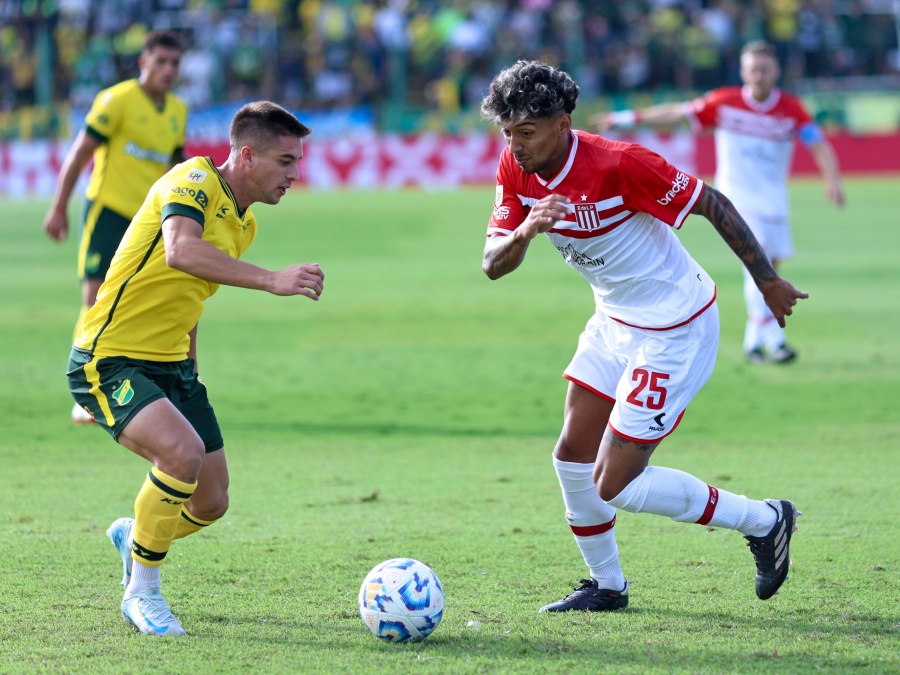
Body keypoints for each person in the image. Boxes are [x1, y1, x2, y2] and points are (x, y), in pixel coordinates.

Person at [480, 60, 804, 613]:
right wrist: (530, 227)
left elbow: (713, 204)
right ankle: (607, 586)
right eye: (507, 132)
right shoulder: (516, 169)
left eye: (526, 131)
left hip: (675, 328)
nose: (515, 144)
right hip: (613, 321)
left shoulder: (620, 164)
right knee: (570, 456)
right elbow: (492, 264)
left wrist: (768, 280)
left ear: (563, 122)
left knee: (615, 484)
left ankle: (766, 519)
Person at [66, 101, 323, 636]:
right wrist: (274, 280)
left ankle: (136, 535)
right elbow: (181, 251)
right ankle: (142, 592)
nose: (295, 175)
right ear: (247, 155)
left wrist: (192, 368)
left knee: (211, 500)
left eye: (296, 162)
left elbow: (190, 295)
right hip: (108, 358)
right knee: (180, 455)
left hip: (172, 365)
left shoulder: (243, 224)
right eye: (285, 161)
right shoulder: (193, 181)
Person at [596, 40, 844, 364]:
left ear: (776, 71)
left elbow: (818, 144)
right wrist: (627, 118)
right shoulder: (724, 103)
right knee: (760, 264)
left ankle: (753, 341)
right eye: (753, 69)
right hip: (738, 199)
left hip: (774, 201)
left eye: (765, 69)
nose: (759, 76)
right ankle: (776, 340)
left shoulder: (791, 109)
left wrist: (832, 180)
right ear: (743, 71)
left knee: (769, 268)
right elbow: (678, 113)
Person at [44, 30, 188, 423]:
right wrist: (59, 207)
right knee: (94, 298)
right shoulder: (116, 100)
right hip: (107, 212)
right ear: (143, 62)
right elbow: (79, 154)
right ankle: (86, 391)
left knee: (150, 299)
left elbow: (177, 169)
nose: (168, 70)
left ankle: (154, 380)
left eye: (175, 63)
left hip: (147, 221)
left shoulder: (177, 111)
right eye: (160, 61)